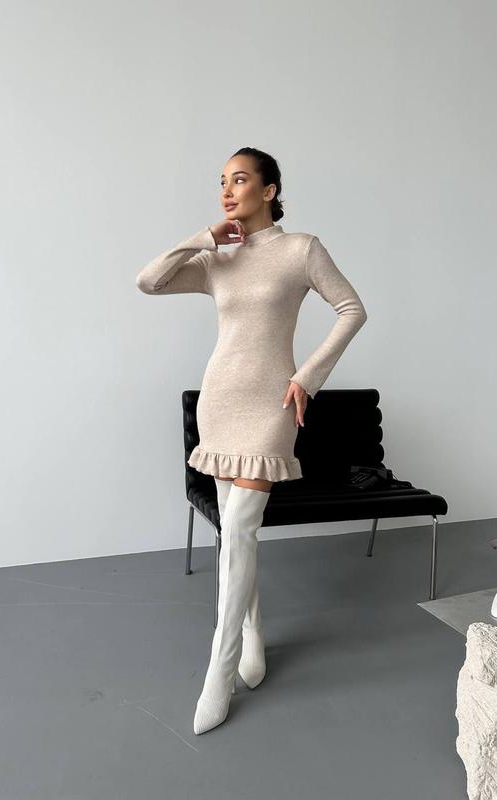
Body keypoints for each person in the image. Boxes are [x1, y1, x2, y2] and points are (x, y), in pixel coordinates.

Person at [136, 146, 368, 734]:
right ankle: (253, 636)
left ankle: (218, 673)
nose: (227, 190)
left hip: (271, 403)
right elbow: (148, 282)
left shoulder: (301, 250)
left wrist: (307, 377)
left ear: (269, 191)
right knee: (237, 531)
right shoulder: (219, 259)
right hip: (220, 399)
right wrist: (204, 238)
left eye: (239, 180)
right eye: (222, 181)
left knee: (239, 525)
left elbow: (352, 309)